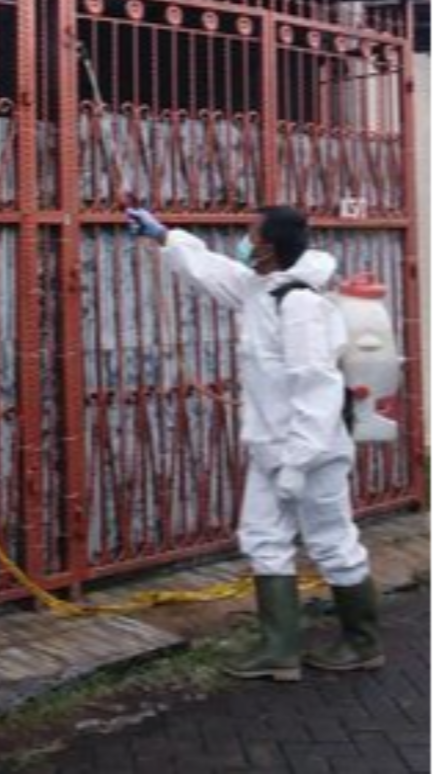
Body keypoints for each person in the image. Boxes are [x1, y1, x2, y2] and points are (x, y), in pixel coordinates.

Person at [125, 204, 384, 682]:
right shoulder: (260, 288)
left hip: (312, 454)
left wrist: (297, 463)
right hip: (270, 447)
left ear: (267, 247)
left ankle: (362, 641)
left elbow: (316, 387)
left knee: (331, 542)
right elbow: (214, 272)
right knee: (264, 539)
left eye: (249, 234)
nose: (243, 242)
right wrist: (165, 237)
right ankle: (279, 649)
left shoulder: (300, 303)